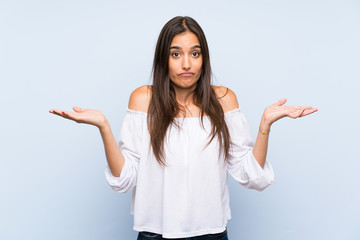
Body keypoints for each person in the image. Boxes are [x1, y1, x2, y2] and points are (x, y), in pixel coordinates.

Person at [49, 16, 318, 240]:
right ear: (163, 59)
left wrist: (265, 125)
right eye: (175, 54)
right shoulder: (143, 99)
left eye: (195, 53)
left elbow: (251, 176)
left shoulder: (224, 100)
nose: (186, 63)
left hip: (212, 233)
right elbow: (125, 179)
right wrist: (104, 127)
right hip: (155, 234)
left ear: (204, 58)